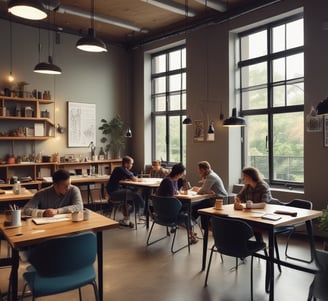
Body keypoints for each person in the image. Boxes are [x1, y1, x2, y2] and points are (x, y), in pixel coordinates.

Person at [157, 163, 198, 244]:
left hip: (161, 209)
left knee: (188, 208)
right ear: (179, 173)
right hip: (168, 210)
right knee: (189, 207)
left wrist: (180, 193)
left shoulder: (171, 179)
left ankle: (189, 227)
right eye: (183, 173)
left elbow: (174, 193)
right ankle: (191, 232)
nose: (183, 175)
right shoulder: (169, 181)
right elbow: (172, 197)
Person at [235, 166, 272, 242]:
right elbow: (238, 197)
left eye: (244, 176)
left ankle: (256, 244)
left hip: (264, 215)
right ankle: (242, 244)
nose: (242, 178)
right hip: (251, 214)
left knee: (245, 225)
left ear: (250, 177)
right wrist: (237, 201)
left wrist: (251, 206)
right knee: (237, 223)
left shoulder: (263, 186)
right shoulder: (247, 186)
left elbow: (264, 204)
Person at [106, 155, 144, 227]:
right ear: (126, 164)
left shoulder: (121, 170)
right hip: (114, 192)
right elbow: (134, 179)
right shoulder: (121, 169)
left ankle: (127, 218)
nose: (132, 165)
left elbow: (129, 177)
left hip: (115, 191)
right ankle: (142, 209)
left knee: (131, 193)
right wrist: (140, 179)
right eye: (131, 164)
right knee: (133, 194)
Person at [191, 161, 228, 227]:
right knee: (200, 206)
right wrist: (200, 189)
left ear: (206, 169)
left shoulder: (211, 176)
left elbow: (202, 190)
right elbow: (205, 189)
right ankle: (197, 224)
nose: (199, 172)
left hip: (220, 199)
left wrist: (198, 189)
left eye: (201, 170)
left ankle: (193, 223)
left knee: (198, 206)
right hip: (215, 198)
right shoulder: (210, 175)